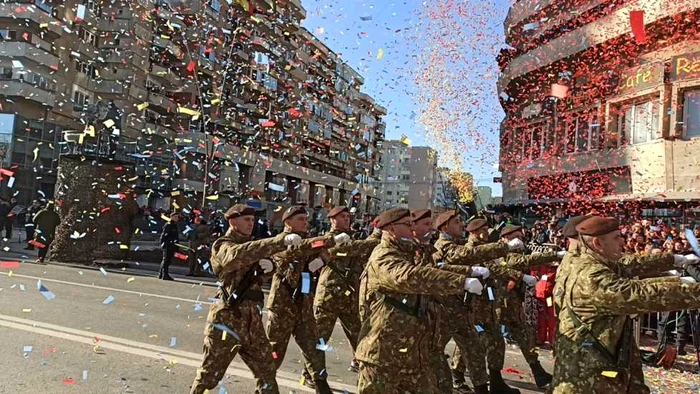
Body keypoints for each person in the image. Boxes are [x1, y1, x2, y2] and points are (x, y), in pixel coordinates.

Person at [551, 216, 700, 394]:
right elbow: (638, 294)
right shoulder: (590, 276)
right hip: (587, 377)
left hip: (604, 363)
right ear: (598, 244)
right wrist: (689, 287)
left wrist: (674, 263)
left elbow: (628, 265)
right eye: (616, 237)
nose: (622, 241)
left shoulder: (595, 261)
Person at [355, 207, 486, 394]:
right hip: (383, 355)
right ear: (391, 229)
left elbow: (432, 269)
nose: (412, 229)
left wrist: (468, 272)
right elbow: (409, 276)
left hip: (413, 354)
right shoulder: (383, 256)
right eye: (407, 225)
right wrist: (461, 282)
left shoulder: (408, 253)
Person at [189, 204, 304, 394]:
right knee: (209, 376)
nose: (251, 223)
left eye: (253, 220)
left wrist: (270, 267)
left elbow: (260, 269)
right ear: (233, 222)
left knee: (267, 371)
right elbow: (235, 256)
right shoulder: (222, 245)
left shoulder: (254, 246)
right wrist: (277, 241)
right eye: (247, 220)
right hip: (227, 320)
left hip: (252, 322)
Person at [265, 206, 350, 394]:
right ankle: (264, 385)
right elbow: (294, 251)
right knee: (275, 350)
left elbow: (319, 250)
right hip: (282, 306)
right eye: (300, 219)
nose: (305, 222)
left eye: (305, 219)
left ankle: (320, 383)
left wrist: (323, 258)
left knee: (314, 347)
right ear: (288, 222)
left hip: (303, 305)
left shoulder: (305, 239)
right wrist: (329, 240)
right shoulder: (280, 242)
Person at [436, 215, 523, 394]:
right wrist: (504, 246)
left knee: (477, 348)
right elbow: (461, 258)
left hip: (467, 307)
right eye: (457, 222)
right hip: (446, 309)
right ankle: (456, 379)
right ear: (444, 227)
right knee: (433, 350)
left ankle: (488, 386)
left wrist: (520, 276)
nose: (461, 225)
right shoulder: (444, 246)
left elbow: (493, 268)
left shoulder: (460, 244)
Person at [314, 206, 380, 373]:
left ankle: (359, 362)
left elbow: (364, 252)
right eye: (341, 216)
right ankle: (312, 372)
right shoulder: (328, 239)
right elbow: (352, 248)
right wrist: (379, 234)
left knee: (360, 334)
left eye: (347, 216)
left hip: (349, 295)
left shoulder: (353, 238)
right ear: (332, 220)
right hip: (329, 295)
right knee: (321, 337)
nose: (346, 219)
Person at [496, 224, 563, 388]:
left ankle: (538, 371)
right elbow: (524, 261)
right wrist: (553, 255)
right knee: (483, 340)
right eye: (514, 237)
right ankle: (460, 371)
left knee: (525, 339)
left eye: (520, 236)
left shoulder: (518, 251)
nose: (519, 240)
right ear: (505, 238)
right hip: (495, 305)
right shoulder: (499, 251)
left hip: (513, 304)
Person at [159, 212, 180, 281]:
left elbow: (175, 237)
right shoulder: (169, 225)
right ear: (171, 217)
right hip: (168, 245)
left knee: (167, 260)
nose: (176, 218)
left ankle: (161, 274)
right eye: (175, 217)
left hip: (172, 245)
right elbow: (164, 235)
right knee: (166, 260)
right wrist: (163, 243)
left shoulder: (174, 225)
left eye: (177, 217)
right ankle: (165, 274)